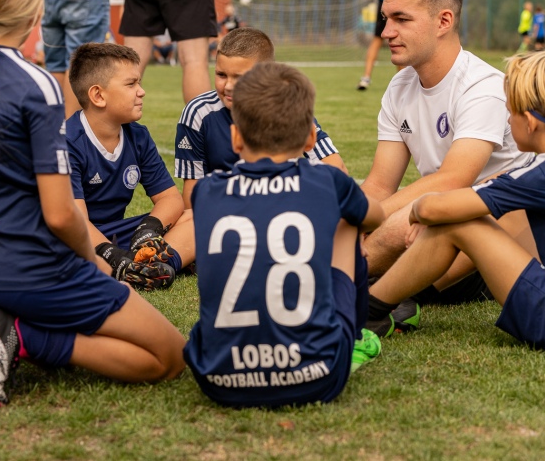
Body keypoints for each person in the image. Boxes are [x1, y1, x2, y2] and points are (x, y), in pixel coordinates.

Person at [0, 0, 185, 407]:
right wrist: (98, 265)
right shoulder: (36, 83)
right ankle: (21, 336)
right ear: (34, 10)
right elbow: (62, 217)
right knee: (169, 357)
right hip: (33, 270)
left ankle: (6, 323)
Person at [367, 50, 545, 352]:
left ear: (529, 122)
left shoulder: (543, 175)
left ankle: (369, 308)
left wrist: (418, 211)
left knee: (458, 223)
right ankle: (407, 293)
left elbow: (435, 207)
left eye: (510, 111)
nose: (506, 118)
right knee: (497, 210)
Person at [184, 62, 385, 408]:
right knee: (349, 220)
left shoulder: (207, 191)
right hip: (317, 377)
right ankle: (355, 336)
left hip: (217, 380)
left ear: (236, 137)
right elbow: (375, 215)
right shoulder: (328, 181)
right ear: (311, 137)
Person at [360, 0, 531, 322]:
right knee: (357, 218)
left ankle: (330, 284)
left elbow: (453, 180)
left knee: (399, 225)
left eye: (401, 19)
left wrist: (371, 223)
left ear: (444, 21)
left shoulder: (482, 87)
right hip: (441, 218)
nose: (387, 31)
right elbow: (379, 184)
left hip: (493, 242)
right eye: (386, 18)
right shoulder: (399, 86)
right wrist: (347, 219)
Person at [66, 42, 194, 291]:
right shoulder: (67, 142)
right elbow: (75, 220)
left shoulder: (137, 136)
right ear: (98, 95)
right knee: (61, 251)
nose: (141, 91)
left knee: (193, 217)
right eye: (131, 84)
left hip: (117, 235)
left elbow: (171, 199)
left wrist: (147, 231)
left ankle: (154, 269)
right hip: (76, 239)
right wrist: (110, 254)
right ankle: (146, 265)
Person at [175, 27, 347, 209]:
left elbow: (336, 169)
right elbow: (192, 196)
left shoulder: (288, 106)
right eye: (221, 75)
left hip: (280, 207)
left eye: (240, 77)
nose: (228, 86)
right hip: (222, 210)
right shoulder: (198, 112)